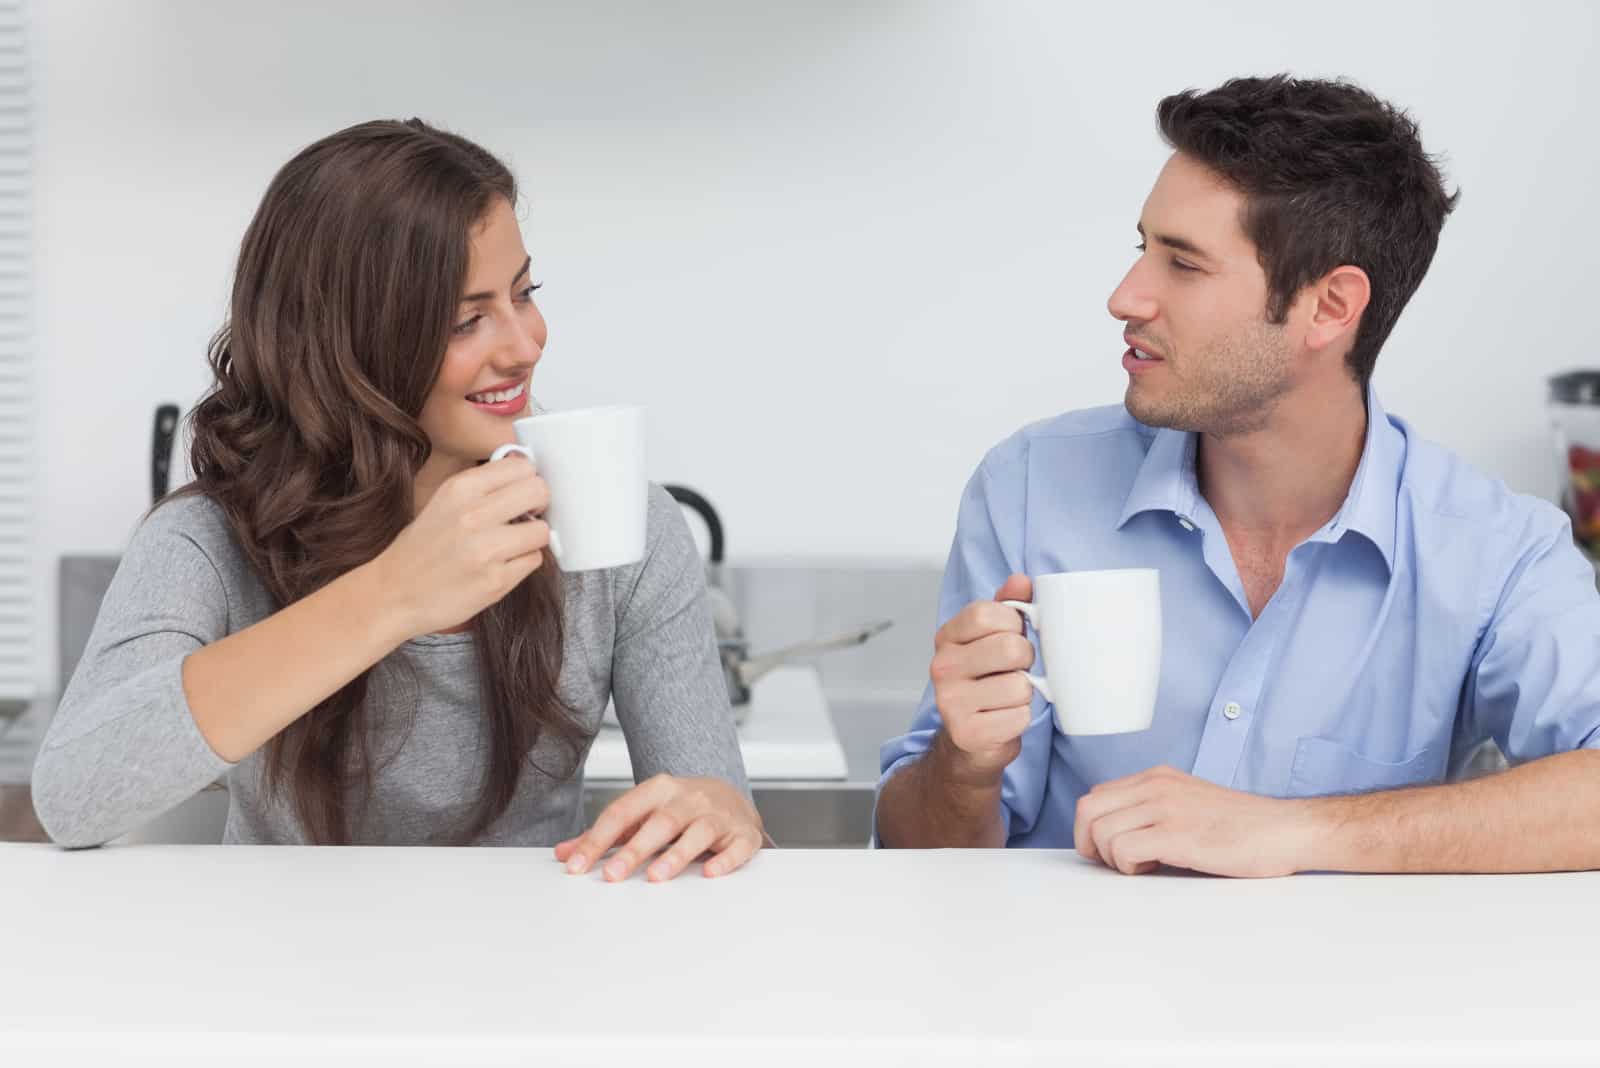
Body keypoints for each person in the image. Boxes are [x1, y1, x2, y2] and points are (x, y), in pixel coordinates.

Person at [876, 75, 1600, 876]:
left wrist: (1292, 834)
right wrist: (961, 767)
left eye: (1183, 265)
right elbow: (915, 862)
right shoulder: (1028, 486)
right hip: (1062, 994)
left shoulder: (1497, 552)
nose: (1125, 297)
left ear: (1329, 308)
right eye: (1141, 247)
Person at [33, 119, 763, 882]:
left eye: (524, 293)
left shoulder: (625, 528)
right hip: (272, 974)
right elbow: (74, 797)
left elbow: (716, 832)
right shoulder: (205, 543)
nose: (525, 344)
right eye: (466, 319)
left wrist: (719, 815)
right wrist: (394, 594)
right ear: (345, 347)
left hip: (536, 973)